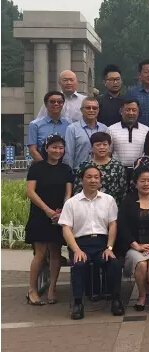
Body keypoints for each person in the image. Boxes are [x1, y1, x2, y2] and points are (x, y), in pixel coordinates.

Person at [59, 165, 124, 320]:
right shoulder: (72, 203)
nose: (93, 180)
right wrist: (76, 250)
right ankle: (78, 303)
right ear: (82, 180)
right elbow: (66, 228)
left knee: (114, 263)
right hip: (80, 244)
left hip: (102, 244)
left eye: (96, 177)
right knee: (79, 264)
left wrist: (109, 247)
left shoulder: (108, 200)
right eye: (89, 177)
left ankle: (116, 300)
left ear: (100, 180)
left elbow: (113, 225)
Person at [25, 134, 73, 305]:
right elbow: (30, 191)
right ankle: (32, 290)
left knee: (55, 252)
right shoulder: (36, 168)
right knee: (40, 253)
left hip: (59, 215)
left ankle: (52, 288)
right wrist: (46, 210)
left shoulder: (66, 169)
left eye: (61, 147)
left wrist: (63, 211)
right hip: (40, 214)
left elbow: (68, 193)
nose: (57, 151)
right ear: (46, 148)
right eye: (54, 147)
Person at [117, 166, 149, 313]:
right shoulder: (127, 202)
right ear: (136, 183)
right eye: (142, 181)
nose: (146, 184)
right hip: (133, 245)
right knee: (141, 264)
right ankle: (142, 295)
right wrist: (136, 245)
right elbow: (123, 227)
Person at [74, 132, 128, 205]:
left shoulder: (118, 166)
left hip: (111, 205)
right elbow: (78, 189)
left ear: (109, 146)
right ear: (92, 147)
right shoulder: (84, 166)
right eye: (98, 145)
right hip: (87, 205)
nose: (102, 147)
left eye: (105, 144)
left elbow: (123, 190)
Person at [108, 98, 149, 177]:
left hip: (139, 172)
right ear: (121, 111)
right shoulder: (111, 130)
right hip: (117, 172)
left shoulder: (146, 130)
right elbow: (108, 154)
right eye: (127, 110)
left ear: (138, 112)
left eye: (134, 110)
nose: (131, 113)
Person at [64, 97, 109, 170]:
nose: (91, 110)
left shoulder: (104, 129)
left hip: (100, 172)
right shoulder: (72, 129)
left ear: (98, 110)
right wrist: (69, 173)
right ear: (81, 110)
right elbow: (68, 154)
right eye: (88, 108)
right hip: (79, 171)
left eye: (94, 108)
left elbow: (108, 152)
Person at [27, 91, 70, 162]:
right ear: (46, 104)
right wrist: (46, 166)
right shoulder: (35, 125)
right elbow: (32, 150)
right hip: (42, 165)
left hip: (64, 165)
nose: (56, 104)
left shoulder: (69, 125)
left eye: (59, 102)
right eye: (52, 102)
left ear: (63, 104)